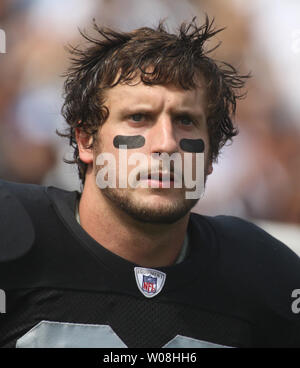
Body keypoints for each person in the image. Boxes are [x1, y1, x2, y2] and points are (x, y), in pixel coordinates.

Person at [0, 17, 299, 348]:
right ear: (86, 141)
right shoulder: (13, 233)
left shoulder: (262, 276)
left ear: (211, 157)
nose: (166, 143)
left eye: (185, 121)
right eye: (138, 117)